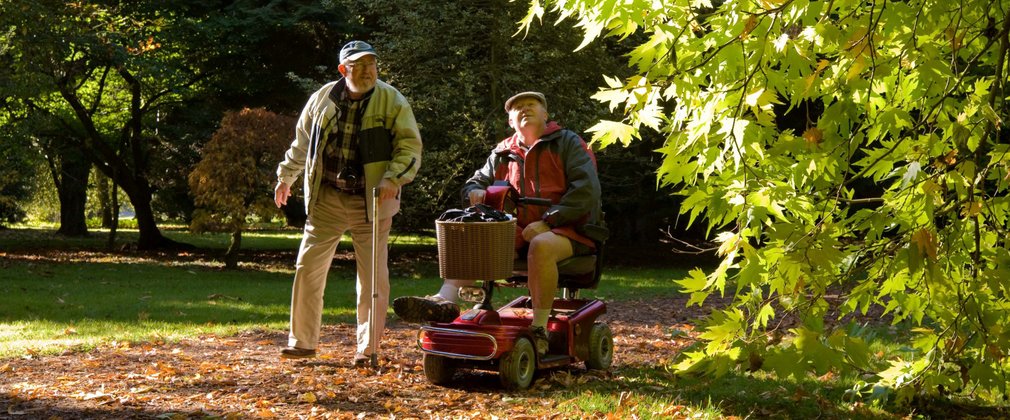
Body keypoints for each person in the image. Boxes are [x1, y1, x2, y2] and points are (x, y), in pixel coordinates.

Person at [393, 91, 601, 355]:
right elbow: (476, 180)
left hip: (568, 229)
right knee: (475, 232)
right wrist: (473, 191)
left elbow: (586, 191)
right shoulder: (502, 152)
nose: (524, 109)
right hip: (516, 231)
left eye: (531, 105)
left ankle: (538, 329)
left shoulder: (569, 143)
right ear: (510, 121)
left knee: (541, 244)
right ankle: (444, 301)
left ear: (545, 115)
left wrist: (549, 220)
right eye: (517, 108)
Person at [274, 40, 422, 366]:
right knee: (307, 267)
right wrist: (286, 177)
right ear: (344, 70)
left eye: (372, 64)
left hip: (371, 201)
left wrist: (392, 178)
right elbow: (301, 143)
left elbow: (410, 148)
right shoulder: (322, 99)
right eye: (359, 65)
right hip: (327, 196)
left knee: (372, 279)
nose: (368, 71)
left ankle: (367, 349)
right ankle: (302, 343)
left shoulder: (392, 100)